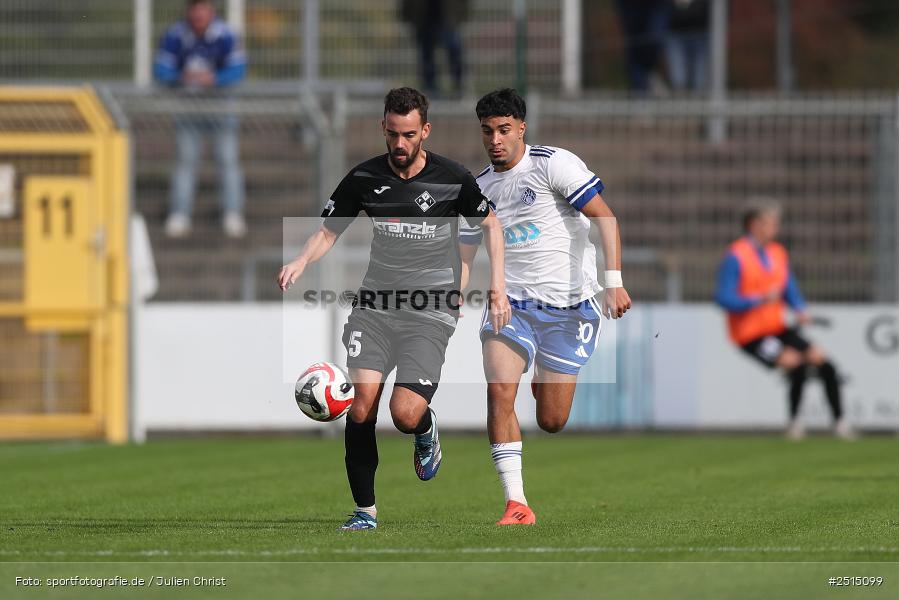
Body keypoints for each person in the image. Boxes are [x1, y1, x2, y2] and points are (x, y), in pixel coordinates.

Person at [278, 87, 510, 530]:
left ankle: (424, 427)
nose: (399, 144)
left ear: (425, 130)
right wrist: (300, 261)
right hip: (375, 307)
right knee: (362, 406)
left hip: (429, 310)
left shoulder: (453, 178)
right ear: (382, 129)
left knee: (404, 414)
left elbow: (491, 225)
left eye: (408, 134)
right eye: (391, 134)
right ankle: (364, 511)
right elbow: (328, 232)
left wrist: (495, 287)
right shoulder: (364, 178)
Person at [459, 89, 632, 526]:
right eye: (487, 131)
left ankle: (543, 378)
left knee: (552, 420)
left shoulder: (552, 164)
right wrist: (455, 292)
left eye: (503, 130)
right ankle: (516, 502)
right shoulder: (479, 188)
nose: (494, 140)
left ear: (521, 128)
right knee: (499, 390)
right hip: (511, 303)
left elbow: (605, 218)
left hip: (570, 307)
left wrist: (613, 282)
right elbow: (464, 249)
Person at [714, 199, 855, 440]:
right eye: (770, 223)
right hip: (751, 335)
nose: (775, 228)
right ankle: (795, 424)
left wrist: (799, 308)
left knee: (823, 362)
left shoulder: (777, 253)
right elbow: (723, 298)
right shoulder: (736, 256)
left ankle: (840, 423)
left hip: (777, 327)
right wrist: (756, 299)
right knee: (795, 363)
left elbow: (787, 286)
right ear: (754, 224)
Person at [154, 0, 248, 239]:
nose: (198, 14)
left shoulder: (225, 34)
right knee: (186, 161)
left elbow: (238, 69)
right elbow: (161, 69)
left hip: (220, 108)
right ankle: (180, 214)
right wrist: (180, 77)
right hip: (188, 108)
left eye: (202, 8)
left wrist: (214, 79)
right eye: (194, 8)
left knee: (227, 160)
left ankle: (232, 213)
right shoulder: (176, 34)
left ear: (211, 10)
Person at [400, 0, 469, 96]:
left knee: (454, 51)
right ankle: (430, 88)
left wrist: (461, 14)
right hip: (424, 18)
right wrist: (408, 15)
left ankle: (458, 85)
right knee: (427, 56)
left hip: (447, 18)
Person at [614, 0, 671, 96]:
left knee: (654, 39)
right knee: (634, 46)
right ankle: (640, 95)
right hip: (630, 5)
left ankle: (649, 72)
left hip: (657, 4)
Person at [665, 0, 710, 92]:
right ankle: (680, 104)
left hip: (701, 31)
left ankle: (698, 104)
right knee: (678, 81)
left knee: (699, 82)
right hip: (675, 30)